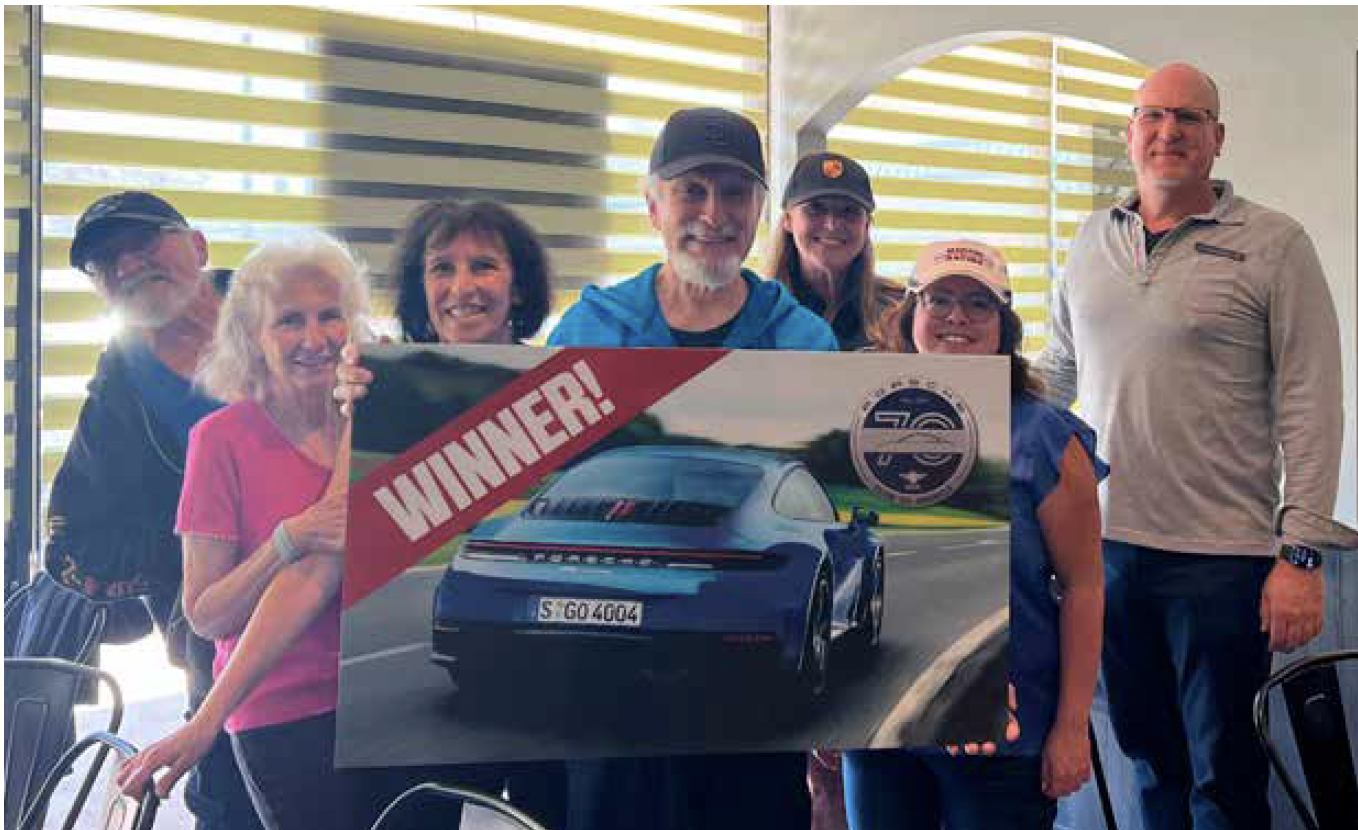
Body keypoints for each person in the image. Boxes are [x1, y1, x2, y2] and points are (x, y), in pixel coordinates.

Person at [1034, 62, 1344, 830]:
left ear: (1217, 137)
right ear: (1130, 132)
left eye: (1189, 117)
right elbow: (1057, 373)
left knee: (1225, 777)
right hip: (1106, 553)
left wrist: (1301, 555)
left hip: (1223, 562)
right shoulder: (1090, 239)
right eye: (1153, 115)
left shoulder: (1275, 244)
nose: (1168, 131)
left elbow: (1311, 401)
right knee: (1149, 761)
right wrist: (964, 405)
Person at [547, 107, 836, 830]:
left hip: (748, 684)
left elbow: (819, 500)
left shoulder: (806, 343)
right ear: (653, 206)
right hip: (610, 686)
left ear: (760, 211)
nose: (713, 214)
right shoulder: (589, 331)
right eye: (691, 191)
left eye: (735, 193)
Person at [114, 233, 393, 830]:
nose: (315, 339)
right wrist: (287, 539)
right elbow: (208, 616)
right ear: (252, 337)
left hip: (391, 698)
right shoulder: (221, 440)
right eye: (290, 321)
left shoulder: (375, 416)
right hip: (284, 714)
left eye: (330, 316)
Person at [843, 240, 1106, 830]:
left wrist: (1071, 728)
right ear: (910, 314)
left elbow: (1085, 587)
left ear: (1004, 326)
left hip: (1002, 731)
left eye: (979, 303)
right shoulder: (860, 422)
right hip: (882, 723)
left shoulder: (1044, 436)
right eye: (939, 299)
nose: (956, 316)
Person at [336, 197, 566, 828]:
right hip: (432, 668)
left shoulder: (567, 383)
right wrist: (352, 419)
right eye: (442, 268)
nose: (462, 287)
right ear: (421, 288)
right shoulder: (384, 385)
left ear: (519, 288)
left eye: (483, 266)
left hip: (550, 666)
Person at [44, 191, 264, 830]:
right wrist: (190, 557)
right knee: (235, 808)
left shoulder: (281, 304)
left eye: (144, 243)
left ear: (197, 246)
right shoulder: (119, 387)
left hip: (345, 614)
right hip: (219, 646)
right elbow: (70, 545)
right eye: (105, 261)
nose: (128, 265)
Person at [769, 150, 903, 351]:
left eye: (849, 211)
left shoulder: (899, 311)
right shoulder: (760, 310)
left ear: (866, 225)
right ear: (788, 220)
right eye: (815, 209)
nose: (832, 225)